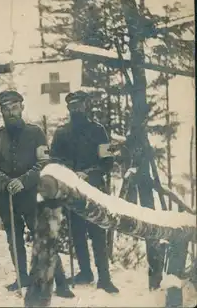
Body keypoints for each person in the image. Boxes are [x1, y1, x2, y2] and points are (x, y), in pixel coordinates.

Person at [0, 90, 74, 298]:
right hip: (7, 197)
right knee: (13, 239)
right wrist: (6, 183)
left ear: (21, 107)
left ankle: (60, 282)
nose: (10, 112)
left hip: (33, 195)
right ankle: (21, 277)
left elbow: (43, 162)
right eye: (5, 109)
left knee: (43, 239)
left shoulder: (35, 133)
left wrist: (22, 181)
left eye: (14, 107)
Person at [49, 90, 119, 293]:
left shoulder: (99, 131)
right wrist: (70, 172)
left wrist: (89, 173)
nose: (75, 109)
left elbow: (108, 162)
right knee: (77, 232)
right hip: (71, 189)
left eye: (79, 105)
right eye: (72, 106)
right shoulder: (61, 133)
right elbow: (54, 159)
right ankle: (85, 272)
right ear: (68, 108)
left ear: (86, 106)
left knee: (98, 232)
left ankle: (104, 278)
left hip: (94, 189)